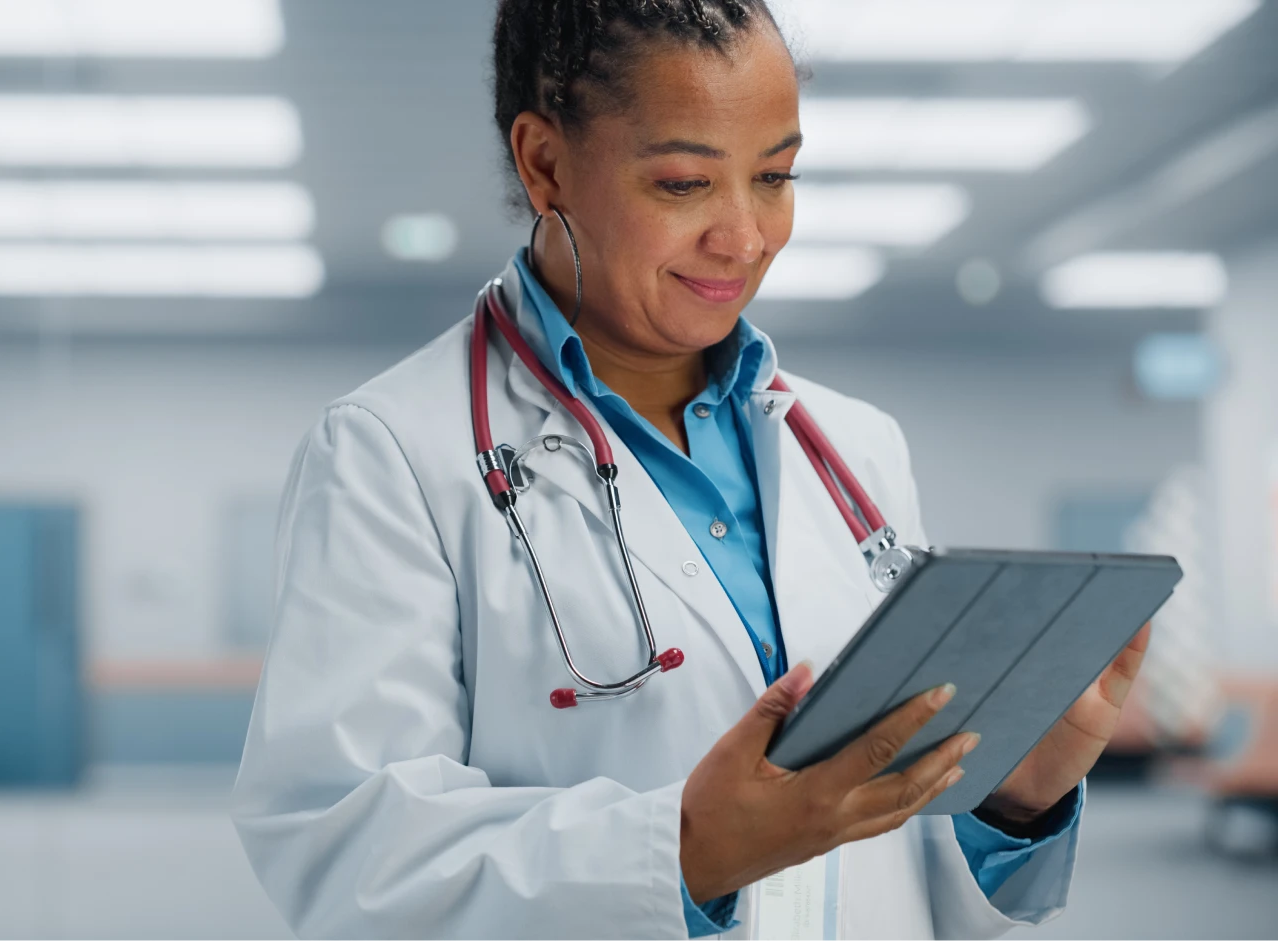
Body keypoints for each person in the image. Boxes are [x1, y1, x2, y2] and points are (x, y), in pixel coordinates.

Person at [233, 2, 1149, 938]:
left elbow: (884, 862)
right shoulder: (391, 451)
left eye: (776, 176)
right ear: (545, 162)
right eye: (683, 184)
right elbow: (349, 853)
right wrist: (683, 848)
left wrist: (1010, 801)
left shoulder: (858, 447)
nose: (746, 237)